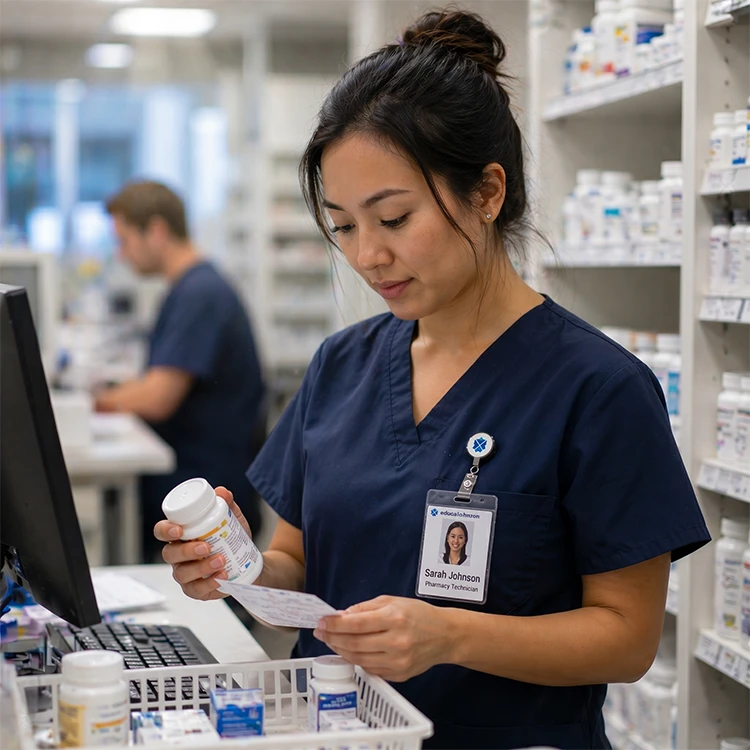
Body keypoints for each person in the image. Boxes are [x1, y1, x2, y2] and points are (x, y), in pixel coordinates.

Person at [155, 10, 710, 749]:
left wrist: (449, 635)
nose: (368, 255)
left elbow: (625, 638)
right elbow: (292, 561)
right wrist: (233, 568)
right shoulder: (342, 367)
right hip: (334, 730)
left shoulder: (597, 389)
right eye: (345, 226)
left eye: (394, 218)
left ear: (486, 193)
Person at [97, 180, 265, 561]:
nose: (121, 255)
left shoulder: (199, 294)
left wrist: (98, 401)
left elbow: (158, 397)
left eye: (124, 241)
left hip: (203, 495)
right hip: (193, 485)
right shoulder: (192, 287)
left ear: (156, 231)